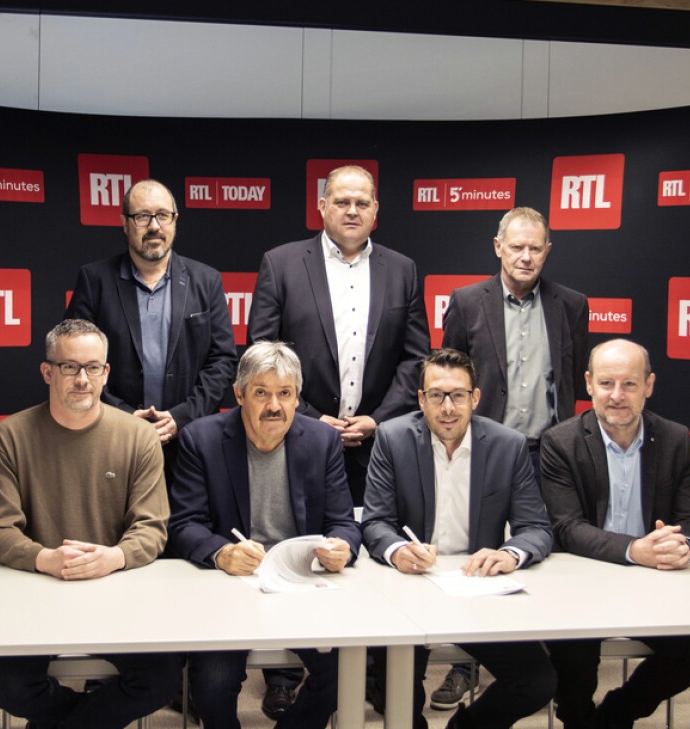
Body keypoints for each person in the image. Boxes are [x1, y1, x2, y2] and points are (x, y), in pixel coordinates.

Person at [248, 164, 428, 712]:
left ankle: (379, 676)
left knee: (372, 558)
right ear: (322, 207)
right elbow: (261, 350)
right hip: (301, 438)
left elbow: (415, 357)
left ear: (376, 211)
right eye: (341, 201)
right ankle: (288, 671)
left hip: (379, 442)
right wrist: (303, 416)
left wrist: (379, 416)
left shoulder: (402, 269)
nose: (352, 210)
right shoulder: (281, 263)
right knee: (302, 549)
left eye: (362, 202)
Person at [0, 319, 181, 728]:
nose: (82, 380)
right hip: (36, 591)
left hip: (116, 591)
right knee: (10, 686)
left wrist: (114, 557)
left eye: (93, 368)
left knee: (160, 678)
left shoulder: (138, 437)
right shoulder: (9, 436)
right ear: (47, 372)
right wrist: (45, 559)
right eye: (69, 367)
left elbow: (152, 527)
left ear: (106, 373)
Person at [437, 205, 588, 706]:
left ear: (548, 251)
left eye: (535, 247)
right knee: (478, 556)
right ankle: (466, 665)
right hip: (486, 450)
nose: (525, 256)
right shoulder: (465, 301)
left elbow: (570, 381)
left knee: (543, 553)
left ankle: (550, 665)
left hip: (550, 453)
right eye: (516, 246)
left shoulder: (571, 304)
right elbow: (448, 375)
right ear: (497, 246)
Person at [168, 341, 360, 729]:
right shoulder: (201, 440)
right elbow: (183, 525)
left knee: (347, 670)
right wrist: (221, 553)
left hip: (302, 581)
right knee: (212, 683)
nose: (274, 405)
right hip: (232, 584)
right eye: (261, 393)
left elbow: (344, 522)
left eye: (285, 394)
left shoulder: (322, 441)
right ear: (239, 395)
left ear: (297, 397)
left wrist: (343, 547)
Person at [362, 348, 557, 729]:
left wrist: (511, 554)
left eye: (458, 395)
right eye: (436, 395)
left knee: (537, 681)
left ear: (475, 398)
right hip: (410, 589)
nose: (448, 407)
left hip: (476, 590)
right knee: (394, 694)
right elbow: (375, 522)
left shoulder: (508, 444)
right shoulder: (393, 438)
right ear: (421, 399)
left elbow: (536, 528)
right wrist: (398, 550)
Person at [539, 338, 690, 729]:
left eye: (629, 384)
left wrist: (684, 546)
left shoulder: (675, 439)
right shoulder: (561, 443)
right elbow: (567, 528)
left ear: (648, 385)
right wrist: (635, 549)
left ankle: (616, 714)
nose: (617, 396)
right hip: (583, 584)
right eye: (606, 383)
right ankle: (579, 719)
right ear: (588, 384)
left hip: (657, 584)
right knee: (573, 668)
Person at [65, 178, 237, 480]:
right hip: (113, 441)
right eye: (142, 216)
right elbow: (77, 362)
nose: (154, 226)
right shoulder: (95, 281)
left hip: (189, 445)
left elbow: (222, 361)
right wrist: (125, 416)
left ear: (175, 220)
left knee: (187, 527)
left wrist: (181, 416)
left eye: (162, 215)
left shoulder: (206, 280)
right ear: (124, 223)